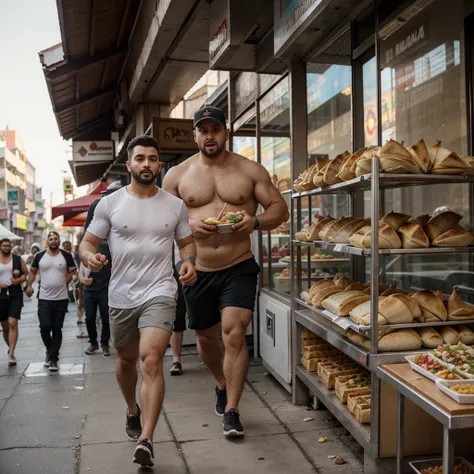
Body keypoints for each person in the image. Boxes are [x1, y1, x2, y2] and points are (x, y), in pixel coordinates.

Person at [163, 105, 289, 438]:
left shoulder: (249, 170)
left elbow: (280, 209)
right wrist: (187, 225)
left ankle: (232, 410)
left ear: (225, 131)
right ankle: (222, 383)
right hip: (197, 268)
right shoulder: (177, 176)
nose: (209, 136)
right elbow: (161, 223)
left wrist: (255, 221)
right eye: (203, 130)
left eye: (215, 129)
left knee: (234, 331)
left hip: (238, 265)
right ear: (195, 134)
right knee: (206, 337)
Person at [79, 135, 197, 468]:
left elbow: (186, 244)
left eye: (153, 158)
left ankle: (146, 438)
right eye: (141, 158)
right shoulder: (110, 203)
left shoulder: (174, 205)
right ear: (129, 164)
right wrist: (89, 258)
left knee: (150, 360)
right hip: (120, 295)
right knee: (125, 361)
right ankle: (132, 409)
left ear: (160, 165)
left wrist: (188, 262)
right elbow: (87, 243)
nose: (147, 163)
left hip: (160, 292)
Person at [80, 181, 122, 357]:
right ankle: (93, 343)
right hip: (90, 286)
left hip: (107, 284)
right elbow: (81, 259)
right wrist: (83, 279)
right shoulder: (97, 209)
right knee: (90, 317)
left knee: (106, 316)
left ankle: (104, 343)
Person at [25, 232, 77, 372]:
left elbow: (73, 271)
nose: (53, 241)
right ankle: (50, 349)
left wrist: (66, 280)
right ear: (47, 241)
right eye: (51, 239)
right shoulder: (40, 256)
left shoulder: (66, 255)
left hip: (61, 298)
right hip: (44, 298)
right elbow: (32, 272)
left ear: (59, 240)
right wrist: (29, 286)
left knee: (57, 328)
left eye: (56, 239)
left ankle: (53, 359)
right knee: (45, 326)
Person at [0, 239, 28, 366]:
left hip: (15, 294)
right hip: (1, 295)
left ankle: (11, 354)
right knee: (5, 326)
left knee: (13, 323)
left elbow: (25, 274)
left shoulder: (17, 259)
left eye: (8, 246)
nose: (6, 247)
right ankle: (10, 348)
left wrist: (18, 281)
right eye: (4, 246)